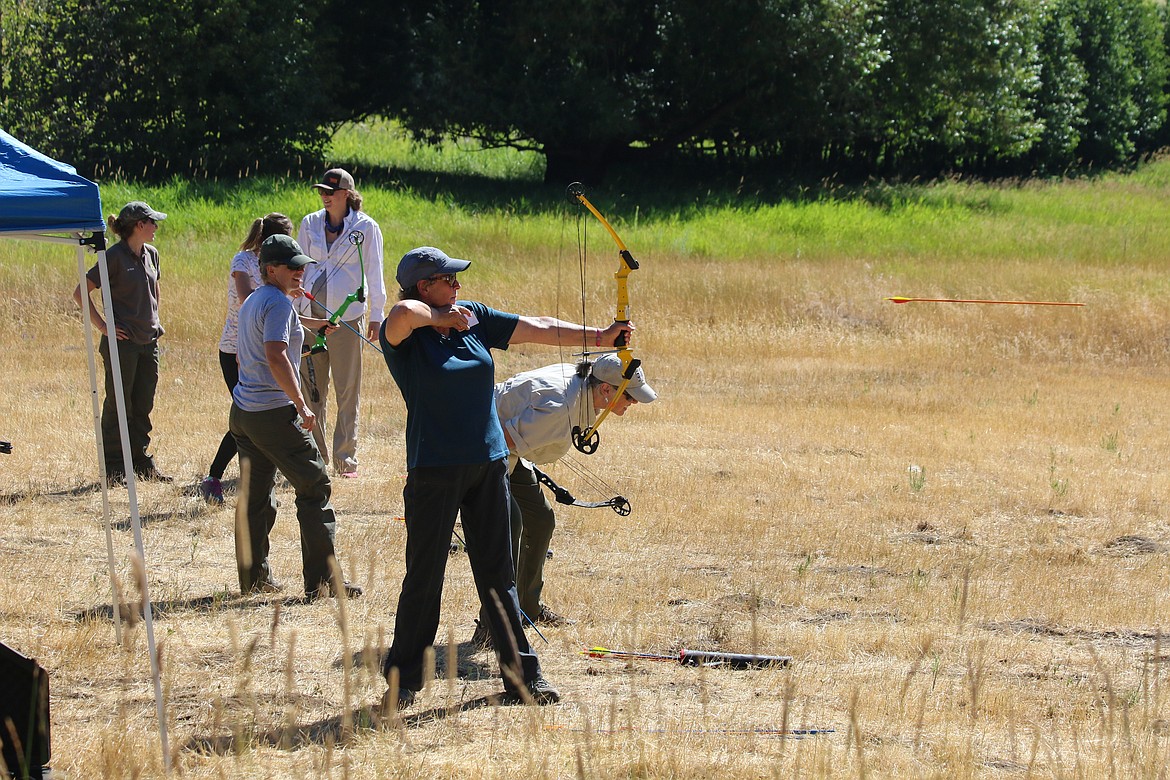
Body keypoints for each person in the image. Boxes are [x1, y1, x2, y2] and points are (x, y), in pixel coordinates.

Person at [377, 245, 633, 711]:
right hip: (434, 469)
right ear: (423, 285)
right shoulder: (407, 336)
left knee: (499, 575)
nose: (457, 286)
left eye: (456, 278)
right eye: (447, 279)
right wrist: (438, 320)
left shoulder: (471, 316)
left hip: (489, 464)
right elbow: (399, 314)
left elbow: (534, 327)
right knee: (425, 576)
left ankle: (523, 679)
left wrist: (599, 334)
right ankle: (403, 680)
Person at [470, 354, 657, 645]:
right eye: (630, 397)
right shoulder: (561, 409)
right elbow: (501, 439)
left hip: (510, 447)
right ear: (606, 389)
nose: (632, 403)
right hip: (483, 446)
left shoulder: (583, 383)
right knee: (510, 524)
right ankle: (492, 625)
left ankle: (528, 608)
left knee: (540, 520)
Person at [229, 234, 363, 600]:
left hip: (244, 413)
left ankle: (252, 578)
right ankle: (322, 583)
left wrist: (313, 329)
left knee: (255, 495)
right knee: (315, 484)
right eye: (292, 267)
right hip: (272, 414)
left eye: (302, 265)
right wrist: (303, 405)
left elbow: (251, 355)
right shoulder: (277, 305)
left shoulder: (256, 300)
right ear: (271, 269)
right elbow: (274, 354)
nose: (300, 271)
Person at [295, 168, 386, 478]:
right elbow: (299, 268)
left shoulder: (366, 227)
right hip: (311, 317)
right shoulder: (309, 223)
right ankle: (315, 456)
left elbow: (374, 272)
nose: (324, 196)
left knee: (348, 390)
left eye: (330, 192)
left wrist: (376, 314)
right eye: (321, 191)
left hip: (347, 318)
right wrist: (296, 308)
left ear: (346, 194)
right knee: (312, 391)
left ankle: (345, 458)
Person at [73, 201, 171, 485]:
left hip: (149, 342)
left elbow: (155, 288)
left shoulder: (152, 254)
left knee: (143, 403)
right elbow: (81, 292)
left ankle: (140, 461)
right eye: (153, 222)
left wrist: (154, 319)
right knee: (119, 403)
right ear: (139, 225)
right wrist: (104, 326)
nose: (156, 227)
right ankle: (115, 468)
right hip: (122, 344)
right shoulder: (112, 257)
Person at [200, 213, 294, 504]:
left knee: (252, 418)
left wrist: (315, 325)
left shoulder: (279, 272)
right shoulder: (243, 261)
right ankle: (214, 477)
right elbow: (247, 298)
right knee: (247, 416)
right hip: (234, 350)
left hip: (257, 348)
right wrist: (283, 292)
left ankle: (254, 478)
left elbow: (279, 312)